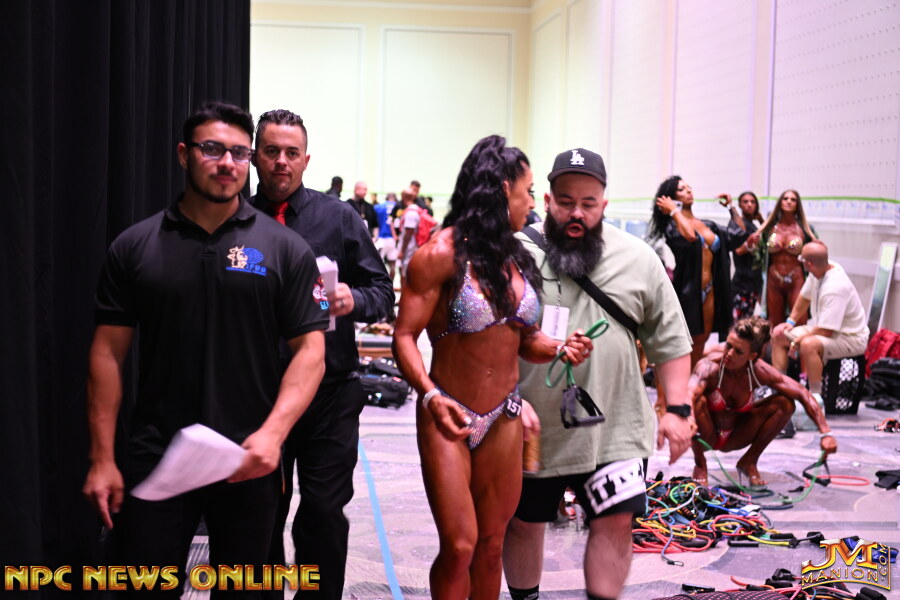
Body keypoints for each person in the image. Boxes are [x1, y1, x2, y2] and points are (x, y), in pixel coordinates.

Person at [82, 101, 328, 595]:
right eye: (212, 149)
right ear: (184, 154)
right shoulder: (136, 246)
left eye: (239, 152)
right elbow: (107, 354)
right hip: (158, 454)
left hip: (249, 457)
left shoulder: (284, 249)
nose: (227, 163)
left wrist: (273, 435)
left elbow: (311, 352)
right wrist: (102, 457)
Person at [392, 135, 592, 600]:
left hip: (504, 416)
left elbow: (524, 339)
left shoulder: (517, 259)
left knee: (490, 545)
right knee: (460, 546)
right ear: (503, 189)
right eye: (528, 191)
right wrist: (429, 395)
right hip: (447, 414)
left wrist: (559, 348)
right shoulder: (439, 255)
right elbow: (403, 336)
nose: (532, 202)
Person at [503, 148, 695, 600]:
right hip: (533, 427)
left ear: (604, 204)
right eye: (566, 201)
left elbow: (670, 340)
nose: (577, 213)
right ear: (547, 200)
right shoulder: (514, 254)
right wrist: (504, 400)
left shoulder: (637, 258)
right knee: (524, 521)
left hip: (616, 427)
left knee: (615, 520)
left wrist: (678, 409)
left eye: (588, 203)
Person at [249, 109, 394, 599]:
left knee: (323, 512)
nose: (281, 162)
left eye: (291, 153)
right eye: (272, 151)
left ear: (306, 160)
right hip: (260, 395)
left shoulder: (339, 217)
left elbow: (382, 291)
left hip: (330, 395)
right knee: (261, 515)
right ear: (255, 156)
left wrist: (355, 298)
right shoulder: (236, 219)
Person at [690, 317, 837, 488]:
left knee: (785, 403)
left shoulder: (759, 371)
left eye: (738, 351)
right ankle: (700, 465)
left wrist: (826, 433)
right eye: (728, 346)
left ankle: (749, 461)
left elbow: (802, 393)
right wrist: (689, 418)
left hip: (737, 436)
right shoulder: (710, 365)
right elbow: (689, 392)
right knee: (696, 402)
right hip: (706, 435)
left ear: (752, 356)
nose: (729, 354)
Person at [649, 175, 747, 366]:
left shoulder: (708, 225)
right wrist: (673, 211)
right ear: (670, 198)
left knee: (700, 344)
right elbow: (690, 236)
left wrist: (731, 207)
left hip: (711, 291)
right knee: (683, 347)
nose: (688, 190)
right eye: (681, 189)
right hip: (687, 293)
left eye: (689, 187)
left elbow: (738, 235)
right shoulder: (672, 226)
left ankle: (693, 382)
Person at [771, 240, 869, 401]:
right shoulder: (819, 270)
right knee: (779, 334)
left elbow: (826, 331)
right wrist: (790, 322)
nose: (800, 262)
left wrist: (799, 340)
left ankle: (815, 398)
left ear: (809, 264)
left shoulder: (835, 288)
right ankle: (779, 389)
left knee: (809, 344)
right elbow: (804, 298)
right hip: (826, 329)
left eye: (802, 259)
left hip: (850, 338)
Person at [746, 189, 818, 328]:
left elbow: (816, 253)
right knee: (774, 322)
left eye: (793, 199)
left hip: (796, 277)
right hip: (774, 278)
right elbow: (758, 254)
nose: (789, 202)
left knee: (799, 321)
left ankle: (797, 343)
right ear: (780, 202)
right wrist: (750, 245)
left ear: (798, 204)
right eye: (785, 199)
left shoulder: (805, 229)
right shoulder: (769, 229)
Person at [719, 191, 764, 321]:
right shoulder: (737, 224)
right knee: (740, 322)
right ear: (740, 205)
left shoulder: (753, 224)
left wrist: (761, 219)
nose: (749, 204)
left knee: (749, 319)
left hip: (755, 281)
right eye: (745, 201)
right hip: (743, 283)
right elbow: (737, 250)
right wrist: (748, 244)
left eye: (752, 202)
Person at [374, 191, 399, 282]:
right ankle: (390, 285)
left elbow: (374, 221)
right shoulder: (398, 207)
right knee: (392, 265)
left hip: (381, 238)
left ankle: (379, 284)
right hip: (393, 239)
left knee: (378, 264)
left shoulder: (378, 207)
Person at [398, 186, 420, 287]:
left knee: (406, 274)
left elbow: (408, 233)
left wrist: (402, 251)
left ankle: (405, 294)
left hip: (409, 249)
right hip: (412, 247)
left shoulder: (411, 213)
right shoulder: (416, 210)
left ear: (403, 197)